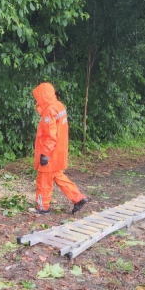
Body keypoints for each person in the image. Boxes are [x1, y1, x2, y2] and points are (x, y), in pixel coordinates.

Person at [32, 82, 89, 215]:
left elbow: (50, 136)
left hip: (50, 153)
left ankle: (42, 207)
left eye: (37, 97)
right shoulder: (59, 106)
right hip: (58, 152)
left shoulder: (49, 111)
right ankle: (78, 198)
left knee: (43, 181)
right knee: (58, 176)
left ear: (42, 96)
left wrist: (45, 153)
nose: (36, 100)